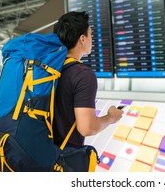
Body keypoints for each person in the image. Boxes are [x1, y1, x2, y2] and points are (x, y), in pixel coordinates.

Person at [52, 11, 123, 148]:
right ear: (82, 39)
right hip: (62, 158)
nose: (92, 39)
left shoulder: (49, 68)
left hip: (42, 149)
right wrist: (111, 117)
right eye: (91, 34)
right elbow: (87, 128)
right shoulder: (83, 74)